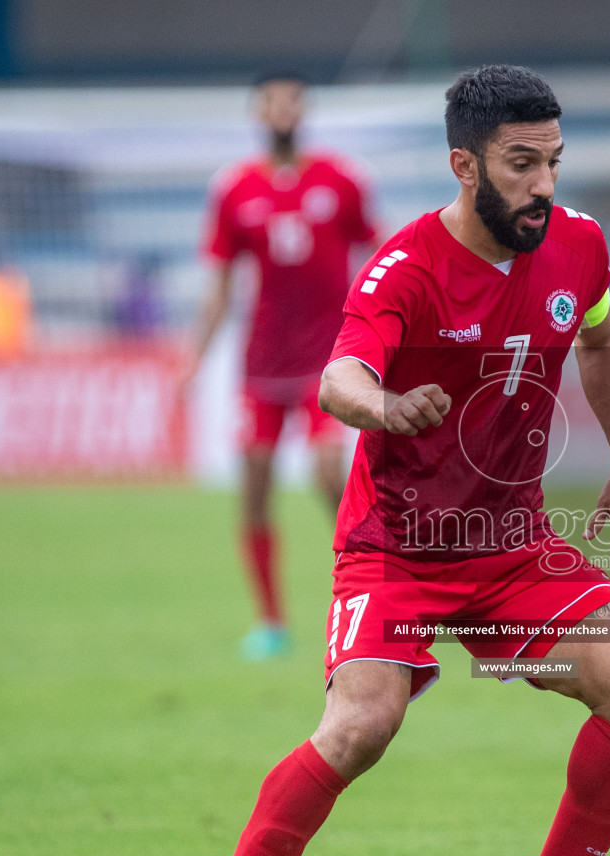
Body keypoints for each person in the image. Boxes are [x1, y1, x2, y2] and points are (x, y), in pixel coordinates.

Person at [175, 64, 610, 856]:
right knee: (364, 724)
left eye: (554, 161)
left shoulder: (581, 245)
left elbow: (601, 342)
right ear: (464, 164)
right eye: (521, 163)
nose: (544, 185)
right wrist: (380, 408)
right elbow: (339, 377)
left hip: (512, 552)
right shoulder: (404, 268)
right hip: (397, 551)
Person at [190, 71, 379, 661]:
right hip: (262, 367)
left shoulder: (341, 180)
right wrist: (193, 362)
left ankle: (377, 593)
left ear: (305, 109)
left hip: (329, 360)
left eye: (290, 100)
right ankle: (271, 622)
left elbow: (378, 259)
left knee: (330, 479)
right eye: (270, 101)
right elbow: (220, 286)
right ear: (256, 112)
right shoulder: (234, 189)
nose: (281, 111)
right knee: (253, 489)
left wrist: (385, 335)